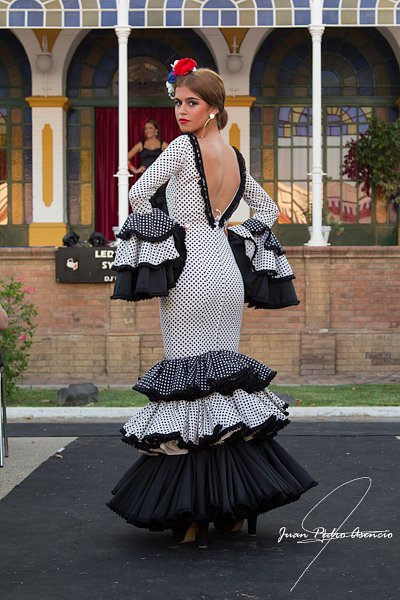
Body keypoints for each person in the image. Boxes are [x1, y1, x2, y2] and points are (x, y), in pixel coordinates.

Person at [107, 58, 317, 548]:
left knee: (188, 381)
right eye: (177, 102)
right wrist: (231, 230)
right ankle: (231, 508)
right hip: (224, 269)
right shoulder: (237, 158)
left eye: (191, 103)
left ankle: (192, 512)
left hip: (191, 270)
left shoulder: (181, 149)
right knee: (221, 384)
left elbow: (139, 196)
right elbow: (268, 209)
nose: (180, 111)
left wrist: (168, 234)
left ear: (213, 108)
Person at [127, 118, 169, 214]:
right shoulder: (141, 144)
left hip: (159, 178)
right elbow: (125, 158)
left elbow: (173, 159)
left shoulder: (163, 144)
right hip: (144, 178)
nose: (147, 130)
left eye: (150, 128)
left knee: (160, 205)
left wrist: (167, 175)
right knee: (146, 203)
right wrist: (135, 170)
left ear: (156, 130)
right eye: (146, 129)